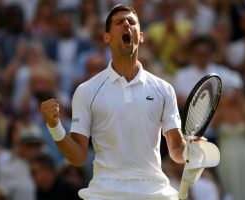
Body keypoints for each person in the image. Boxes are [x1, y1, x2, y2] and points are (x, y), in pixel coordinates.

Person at [40, 4, 203, 200]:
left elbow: (176, 151)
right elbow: (78, 157)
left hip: (154, 192)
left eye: (131, 22)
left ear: (141, 36)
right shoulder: (86, 91)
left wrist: (192, 151)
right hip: (105, 193)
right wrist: (55, 127)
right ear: (106, 37)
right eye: (119, 22)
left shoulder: (164, 89)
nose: (126, 24)